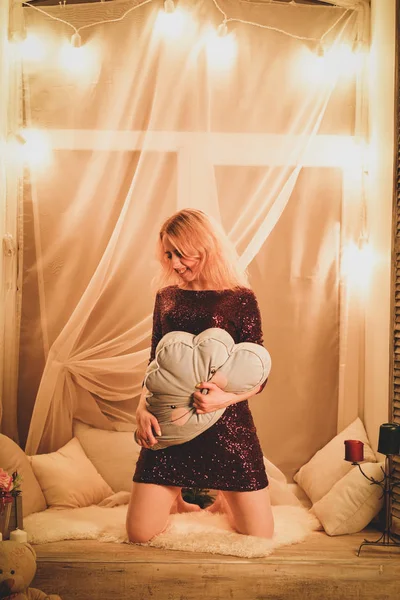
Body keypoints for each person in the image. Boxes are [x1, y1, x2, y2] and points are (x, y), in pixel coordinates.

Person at [126, 208, 274, 543]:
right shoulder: (166, 298)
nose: (174, 263)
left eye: (181, 254)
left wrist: (225, 397)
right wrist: (141, 409)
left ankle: (221, 501)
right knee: (139, 534)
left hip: (228, 428)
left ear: (204, 248)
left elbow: (258, 372)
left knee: (260, 535)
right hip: (171, 428)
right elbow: (154, 365)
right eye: (168, 254)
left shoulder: (241, 299)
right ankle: (183, 504)